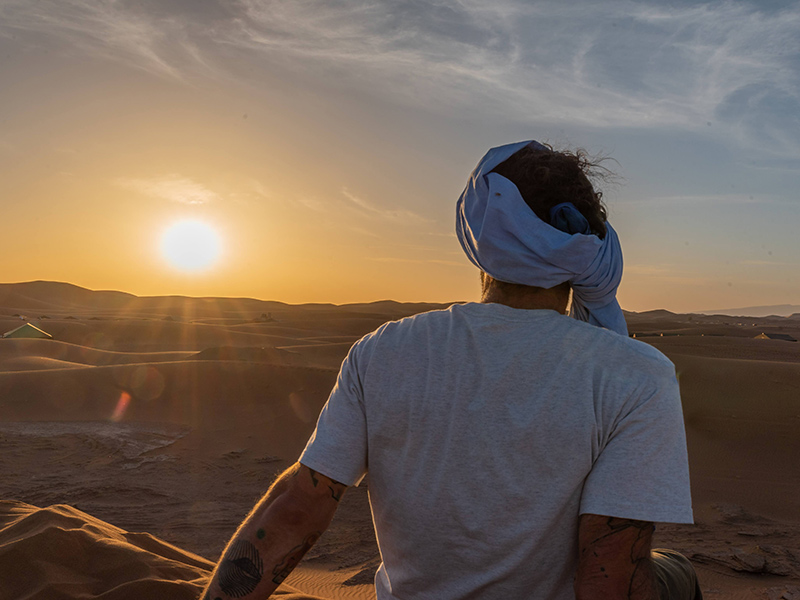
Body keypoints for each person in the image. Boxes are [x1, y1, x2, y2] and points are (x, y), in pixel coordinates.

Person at [200, 140, 701, 600]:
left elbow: (296, 509)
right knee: (677, 573)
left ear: (478, 231)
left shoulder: (382, 350)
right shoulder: (637, 373)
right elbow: (608, 573)